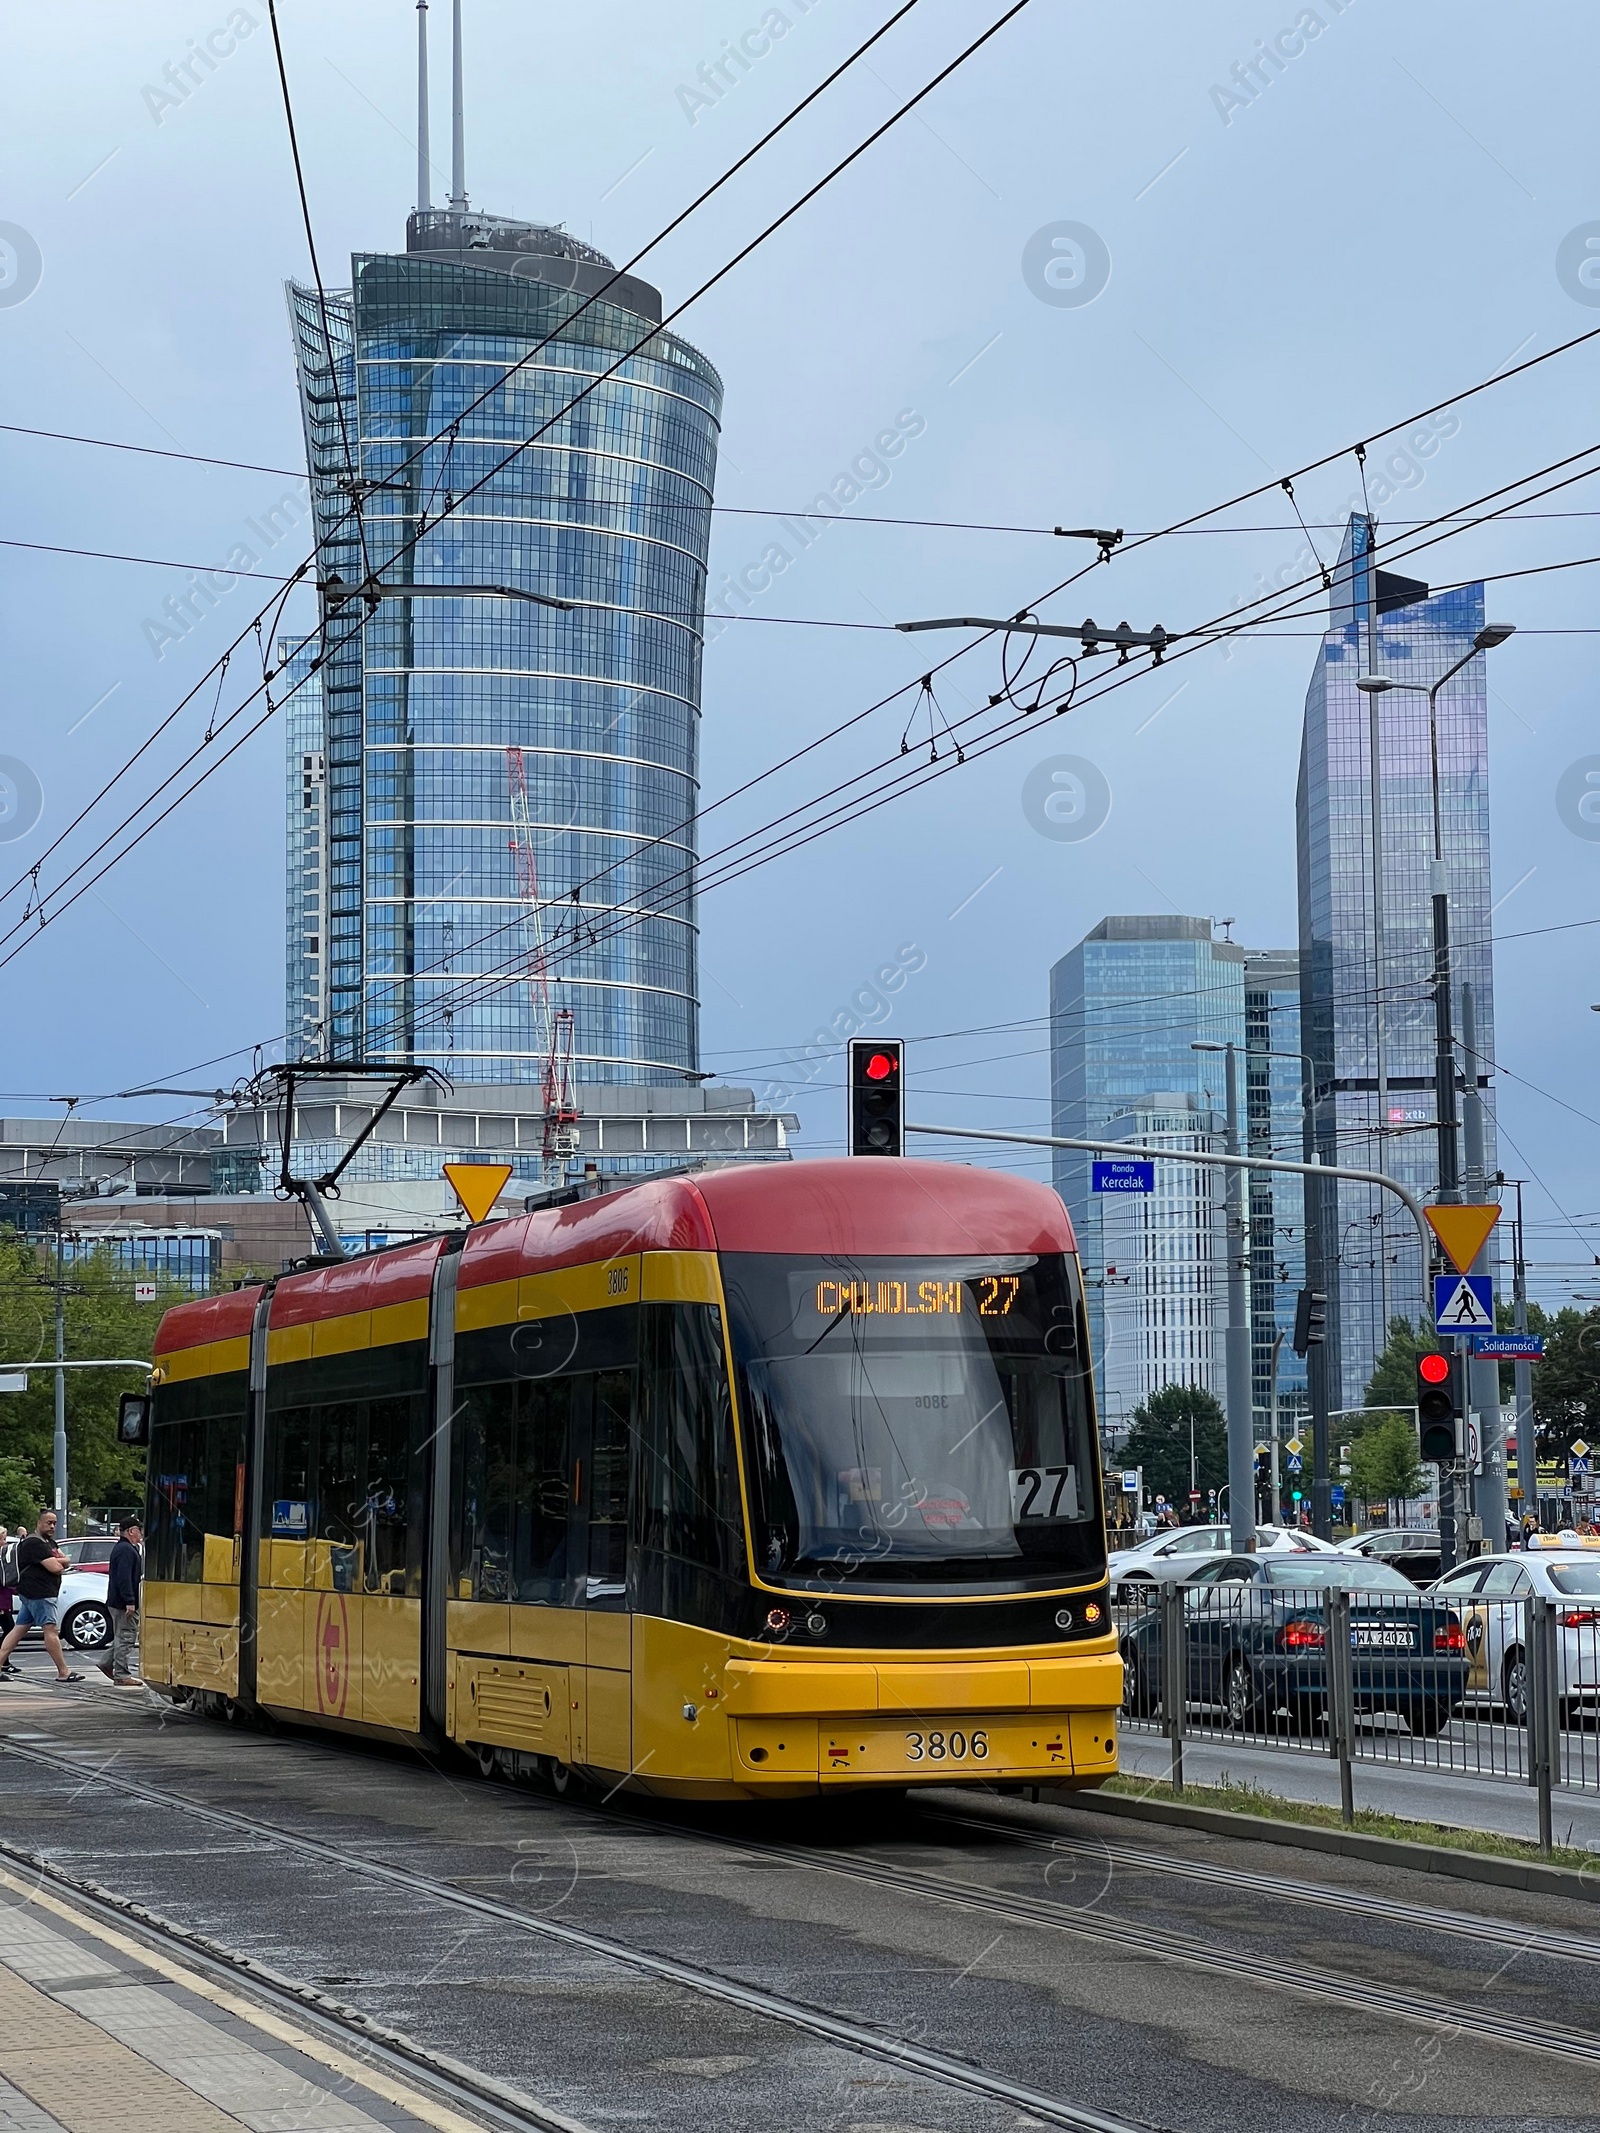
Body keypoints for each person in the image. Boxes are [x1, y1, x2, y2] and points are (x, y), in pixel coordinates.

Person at [0, 1510, 82, 1684]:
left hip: (34, 1594)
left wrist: (60, 1561)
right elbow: (56, 1567)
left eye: (54, 1523)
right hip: (40, 1594)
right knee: (50, 1629)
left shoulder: (48, 1542)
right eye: (48, 1522)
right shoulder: (34, 1543)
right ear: (39, 1522)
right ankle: (63, 1672)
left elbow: (65, 1560)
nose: (52, 1526)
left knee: (17, 1631)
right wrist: (59, 1561)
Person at [104, 1516, 143, 1687]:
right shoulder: (126, 1550)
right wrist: (130, 1601)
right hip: (123, 1603)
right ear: (131, 1531)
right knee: (126, 1637)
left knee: (121, 1636)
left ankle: (106, 1663)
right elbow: (124, 1578)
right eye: (139, 1530)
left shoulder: (122, 1548)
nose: (140, 1534)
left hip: (117, 1601)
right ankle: (121, 1674)